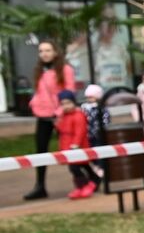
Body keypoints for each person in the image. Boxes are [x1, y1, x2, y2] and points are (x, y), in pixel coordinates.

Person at [23, 41, 76, 200]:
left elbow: (69, 91)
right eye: (41, 51)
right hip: (43, 116)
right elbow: (39, 92)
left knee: (71, 148)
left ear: (55, 52)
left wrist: (59, 112)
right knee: (40, 150)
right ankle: (40, 186)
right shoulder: (40, 70)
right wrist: (33, 104)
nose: (44, 54)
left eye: (47, 50)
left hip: (61, 115)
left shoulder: (65, 69)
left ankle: (91, 176)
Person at [55, 90, 97, 199]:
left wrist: (75, 144)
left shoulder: (78, 115)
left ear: (74, 102)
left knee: (74, 167)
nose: (66, 106)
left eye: (68, 103)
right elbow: (61, 130)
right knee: (82, 165)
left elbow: (80, 131)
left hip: (76, 146)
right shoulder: (64, 116)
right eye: (63, 104)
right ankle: (89, 182)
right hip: (67, 145)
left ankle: (85, 185)